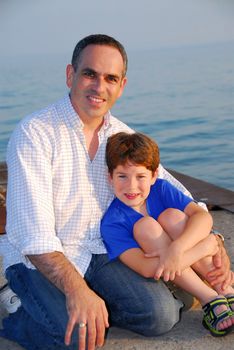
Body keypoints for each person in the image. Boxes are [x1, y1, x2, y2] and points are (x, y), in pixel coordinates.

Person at [0, 34, 232, 350]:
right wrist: (77, 291)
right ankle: (16, 312)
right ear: (71, 75)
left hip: (100, 250)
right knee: (79, 338)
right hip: (38, 259)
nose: (99, 86)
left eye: (110, 78)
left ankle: (95, 306)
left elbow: (172, 190)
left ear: (121, 86)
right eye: (89, 74)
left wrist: (212, 240)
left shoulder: (120, 135)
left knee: (161, 317)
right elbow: (35, 237)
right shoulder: (36, 133)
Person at [101, 131, 234, 336]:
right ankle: (209, 298)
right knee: (146, 226)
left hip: (188, 266)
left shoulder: (161, 189)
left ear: (154, 175)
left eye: (140, 176)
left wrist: (176, 248)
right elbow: (147, 268)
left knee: (172, 215)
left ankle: (223, 286)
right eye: (122, 176)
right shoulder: (112, 222)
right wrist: (206, 247)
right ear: (109, 177)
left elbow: (202, 217)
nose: (131, 186)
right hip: (162, 278)